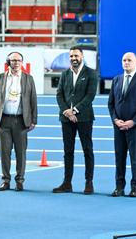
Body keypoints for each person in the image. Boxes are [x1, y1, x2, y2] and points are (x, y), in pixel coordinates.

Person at [53, 46, 97, 194]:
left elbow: (90, 96)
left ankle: (89, 182)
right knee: (68, 151)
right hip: (66, 118)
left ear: (82, 56)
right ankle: (67, 183)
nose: (73, 58)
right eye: (71, 56)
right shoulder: (65, 74)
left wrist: (75, 110)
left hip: (84, 118)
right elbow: (59, 95)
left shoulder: (91, 73)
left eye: (76, 56)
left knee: (87, 150)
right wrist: (66, 111)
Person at [0, 52, 38, 191]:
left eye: (19, 60)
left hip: (21, 121)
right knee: (4, 153)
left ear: (22, 62)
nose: (16, 63)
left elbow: (33, 100)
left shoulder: (28, 79)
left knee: (20, 153)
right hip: (4, 120)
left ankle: (20, 181)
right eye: (13, 60)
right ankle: (5, 180)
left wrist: (33, 120)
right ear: (8, 62)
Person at [108, 52, 136, 197]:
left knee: (135, 158)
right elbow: (111, 104)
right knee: (119, 157)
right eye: (124, 60)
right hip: (119, 126)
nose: (126, 62)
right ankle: (119, 187)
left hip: (135, 127)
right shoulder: (116, 80)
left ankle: (135, 188)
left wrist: (132, 122)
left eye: (129, 60)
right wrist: (115, 120)